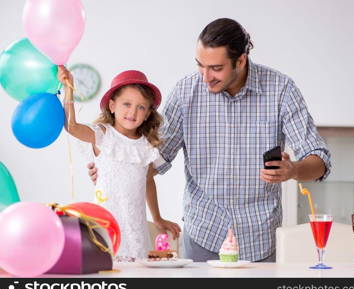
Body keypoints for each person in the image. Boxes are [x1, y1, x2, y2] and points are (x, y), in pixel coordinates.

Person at [88, 18, 331, 262]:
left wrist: (293, 170)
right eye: (200, 65)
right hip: (203, 236)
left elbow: (319, 159)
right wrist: (112, 167)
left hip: (259, 239)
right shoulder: (186, 93)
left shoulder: (281, 90)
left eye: (216, 68)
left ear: (241, 61)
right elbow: (151, 161)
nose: (205, 77)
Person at [58, 66, 181, 262]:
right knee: (105, 272)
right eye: (126, 104)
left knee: (136, 273)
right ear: (112, 106)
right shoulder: (102, 135)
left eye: (141, 107)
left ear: (148, 113)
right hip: (104, 224)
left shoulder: (146, 147)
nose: (133, 112)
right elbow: (71, 127)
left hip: (134, 227)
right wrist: (69, 89)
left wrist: (157, 218)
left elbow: (148, 182)